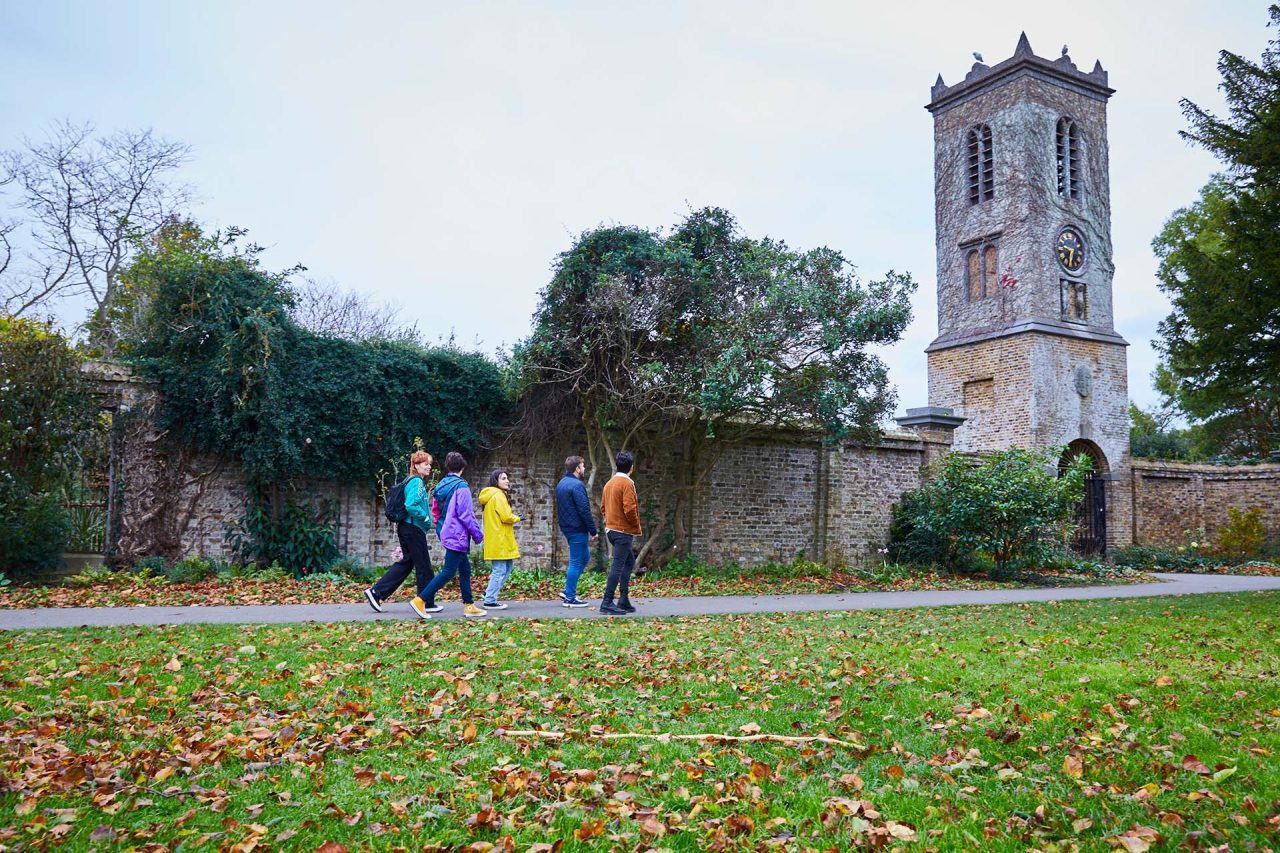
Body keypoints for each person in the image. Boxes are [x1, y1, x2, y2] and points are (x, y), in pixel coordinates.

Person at [411, 451, 485, 619]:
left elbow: (435, 511)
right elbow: (466, 514)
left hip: (446, 531)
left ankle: (469, 605)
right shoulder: (462, 487)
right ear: (463, 467)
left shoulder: (441, 485)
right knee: (449, 571)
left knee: (465, 569)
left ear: (448, 467)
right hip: (458, 534)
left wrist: (441, 528)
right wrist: (478, 534)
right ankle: (420, 600)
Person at [364, 450, 434, 613]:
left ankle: (377, 592)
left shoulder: (411, 480)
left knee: (408, 563)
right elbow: (411, 505)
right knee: (423, 565)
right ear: (416, 466)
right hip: (413, 528)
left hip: (407, 528)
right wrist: (424, 518)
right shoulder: (417, 482)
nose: (429, 467)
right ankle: (425, 602)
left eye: (429, 464)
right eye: (426, 464)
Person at [600, 450, 641, 615]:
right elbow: (630, 509)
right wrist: (635, 525)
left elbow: (603, 508)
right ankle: (607, 602)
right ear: (632, 467)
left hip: (611, 529)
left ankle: (623, 599)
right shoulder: (627, 484)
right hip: (623, 531)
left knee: (629, 562)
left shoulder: (609, 483)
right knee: (617, 566)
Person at [555, 455, 597, 607]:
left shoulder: (562, 483)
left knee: (584, 558)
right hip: (577, 529)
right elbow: (584, 510)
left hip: (567, 527)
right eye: (583, 466)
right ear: (577, 469)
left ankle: (568, 590)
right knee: (576, 561)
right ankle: (569, 597)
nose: (584, 469)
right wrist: (593, 530)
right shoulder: (577, 485)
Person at [478, 468, 520, 609]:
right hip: (500, 539)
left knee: (507, 567)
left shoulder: (490, 496)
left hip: (496, 537)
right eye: (503, 478)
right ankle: (490, 600)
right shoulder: (498, 495)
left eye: (507, 478)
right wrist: (518, 518)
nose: (507, 481)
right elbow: (507, 516)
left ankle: (489, 592)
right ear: (496, 481)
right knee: (500, 569)